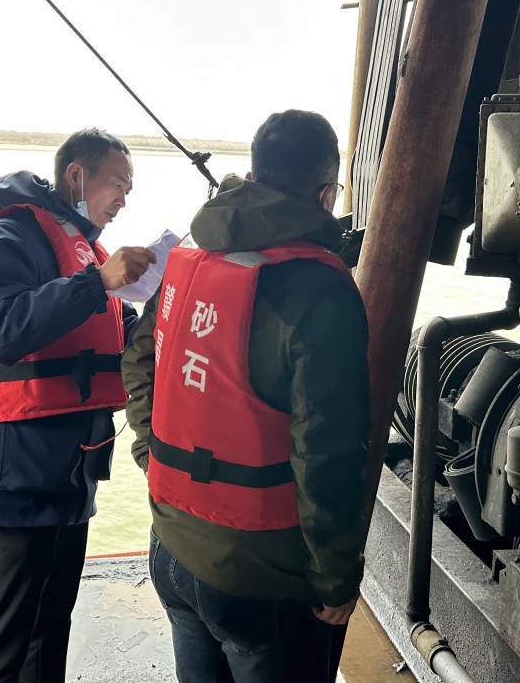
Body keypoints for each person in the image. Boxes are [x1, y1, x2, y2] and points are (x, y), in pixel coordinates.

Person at [123, 110, 372, 683]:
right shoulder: (320, 287)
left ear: (253, 176)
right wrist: (335, 576)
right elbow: (327, 450)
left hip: (171, 544)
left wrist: (152, 458)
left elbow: (137, 361)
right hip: (260, 574)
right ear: (327, 194)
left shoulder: (188, 258)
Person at [0, 130, 152, 683]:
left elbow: (116, 334)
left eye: (129, 189)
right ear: (77, 176)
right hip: (17, 475)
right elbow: (0, 330)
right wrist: (96, 282)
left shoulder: (85, 252)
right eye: (118, 183)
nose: (123, 198)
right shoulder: (10, 237)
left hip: (71, 474)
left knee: (49, 627)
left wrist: (164, 303)